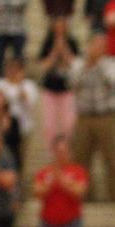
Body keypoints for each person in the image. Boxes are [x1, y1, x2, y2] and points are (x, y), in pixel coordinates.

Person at [69, 34, 115, 202]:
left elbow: (112, 82)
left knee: (113, 161)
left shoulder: (113, 63)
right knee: (80, 159)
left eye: (101, 45)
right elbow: (73, 83)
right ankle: (85, 198)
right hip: (84, 117)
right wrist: (87, 65)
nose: (97, 48)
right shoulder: (78, 63)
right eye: (94, 44)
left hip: (107, 116)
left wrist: (97, 64)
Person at [0, 58, 38, 175]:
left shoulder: (29, 85)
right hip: (2, 128)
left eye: (15, 69)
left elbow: (30, 104)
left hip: (23, 129)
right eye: (9, 69)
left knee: (19, 161)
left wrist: (19, 85)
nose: (11, 72)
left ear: (21, 70)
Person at [37, 17, 80, 151]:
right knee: (50, 127)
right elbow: (43, 66)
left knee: (69, 125)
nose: (60, 30)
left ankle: (67, 153)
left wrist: (65, 50)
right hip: (50, 90)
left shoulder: (72, 42)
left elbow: (76, 65)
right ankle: (52, 154)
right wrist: (55, 52)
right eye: (57, 27)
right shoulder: (48, 43)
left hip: (67, 90)